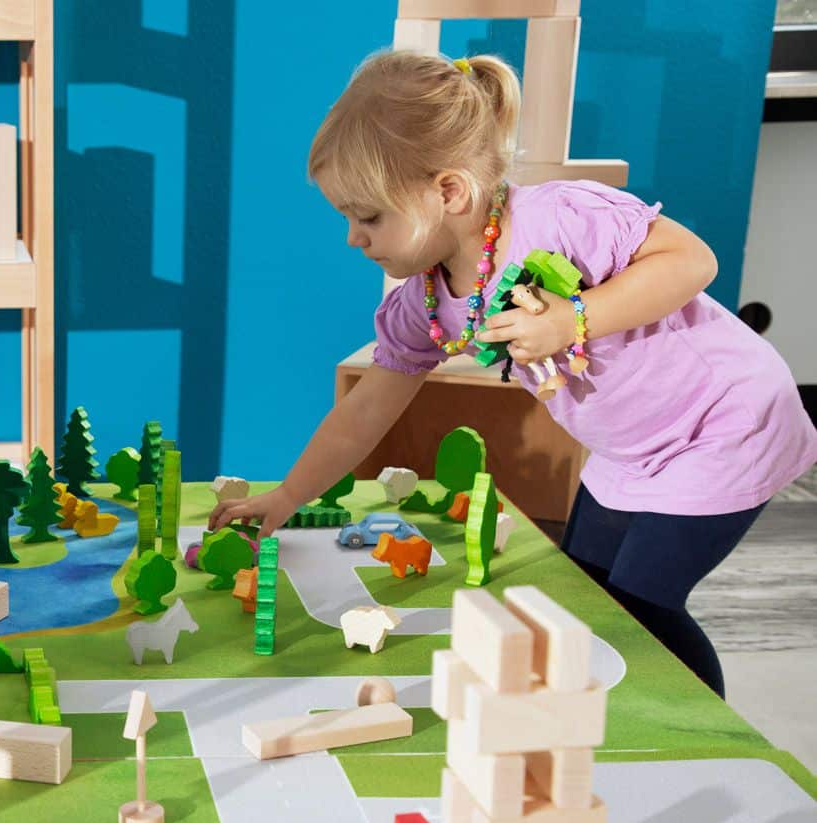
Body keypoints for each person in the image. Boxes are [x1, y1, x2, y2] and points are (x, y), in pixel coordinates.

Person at [210, 51, 817, 698]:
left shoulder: (557, 218)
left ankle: (710, 730)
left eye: (369, 217)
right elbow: (364, 411)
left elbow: (692, 260)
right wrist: (288, 496)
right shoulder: (423, 303)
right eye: (347, 219)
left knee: (641, 611)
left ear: (448, 192)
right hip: (630, 448)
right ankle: (597, 715)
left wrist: (574, 318)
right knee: (586, 593)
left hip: (724, 423)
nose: (353, 239)